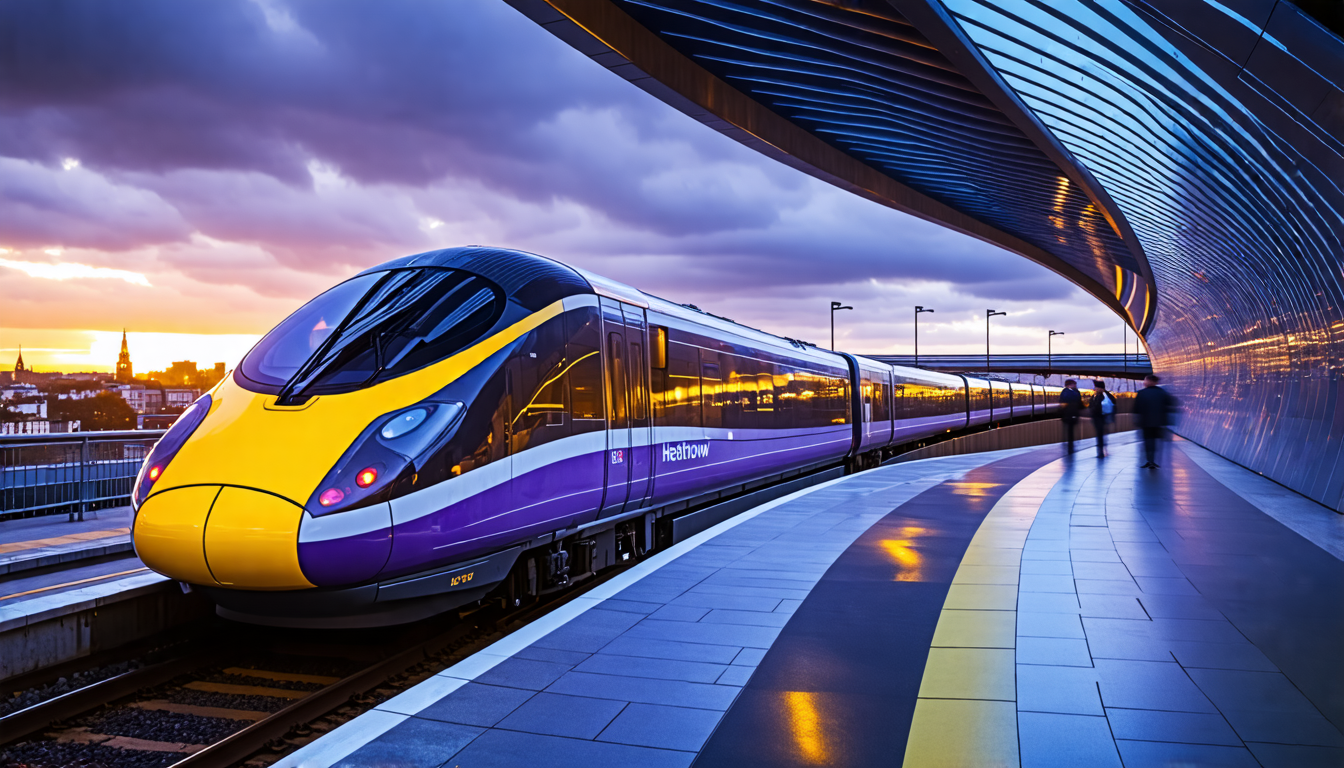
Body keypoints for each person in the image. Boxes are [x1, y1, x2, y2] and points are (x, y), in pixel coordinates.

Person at [1134, 374, 1176, 468]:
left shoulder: (1142, 393)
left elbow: (1136, 409)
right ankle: (1153, 460)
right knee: (1155, 442)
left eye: (1145, 380)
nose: (1144, 382)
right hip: (1158, 422)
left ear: (1149, 381)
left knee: (1147, 441)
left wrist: (1137, 420)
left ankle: (1149, 460)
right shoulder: (1162, 393)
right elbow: (1170, 405)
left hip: (1145, 422)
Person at [1088, 380, 1116, 457]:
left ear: (1101, 388)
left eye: (1096, 387)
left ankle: (1100, 451)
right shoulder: (1096, 395)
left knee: (1100, 434)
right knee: (1100, 434)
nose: (1095, 389)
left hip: (1102, 418)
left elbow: (1095, 406)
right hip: (1098, 418)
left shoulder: (1104, 395)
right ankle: (1101, 449)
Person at [1059, 379, 1082, 453]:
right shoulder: (1070, 392)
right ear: (1069, 385)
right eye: (1074, 384)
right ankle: (1070, 445)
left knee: (1069, 430)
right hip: (1070, 414)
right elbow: (1077, 401)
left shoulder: (1065, 392)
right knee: (1070, 431)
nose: (1075, 386)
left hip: (1068, 414)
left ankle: (1069, 444)